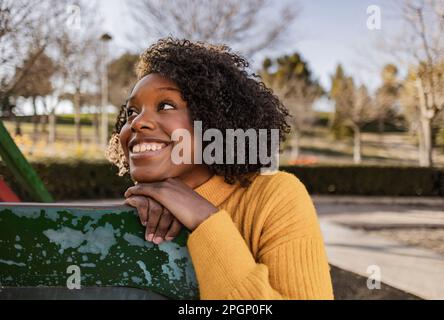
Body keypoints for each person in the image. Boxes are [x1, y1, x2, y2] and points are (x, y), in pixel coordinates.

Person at [106, 38, 333, 300]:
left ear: (213, 120)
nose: (137, 122)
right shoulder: (141, 214)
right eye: (131, 112)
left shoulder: (275, 196)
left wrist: (204, 217)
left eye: (166, 105)